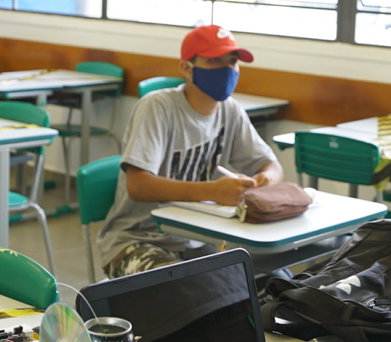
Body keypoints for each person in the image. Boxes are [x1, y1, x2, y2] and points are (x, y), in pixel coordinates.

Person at [97, 24, 283, 278]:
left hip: (198, 239)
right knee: (190, 289)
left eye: (232, 61)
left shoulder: (230, 110)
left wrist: (263, 181)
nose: (227, 69)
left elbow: (271, 165)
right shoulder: (158, 107)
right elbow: (138, 186)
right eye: (215, 61)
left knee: (273, 280)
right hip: (137, 240)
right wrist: (212, 192)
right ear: (186, 68)